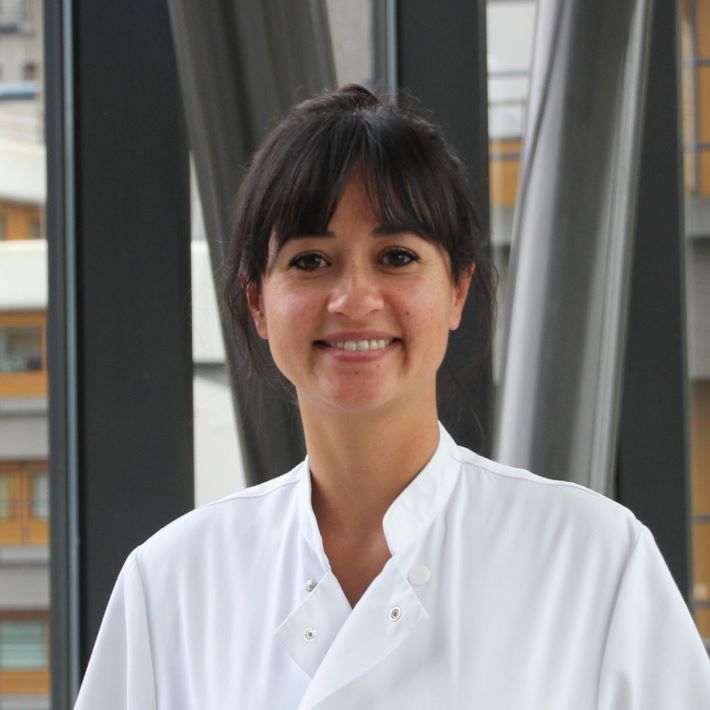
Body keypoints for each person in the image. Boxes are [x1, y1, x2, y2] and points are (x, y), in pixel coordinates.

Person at [74, 85, 710, 710]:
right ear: (257, 302)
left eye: (397, 256)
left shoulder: (596, 559)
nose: (354, 300)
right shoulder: (171, 582)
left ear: (458, 290)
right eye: (310, 261)